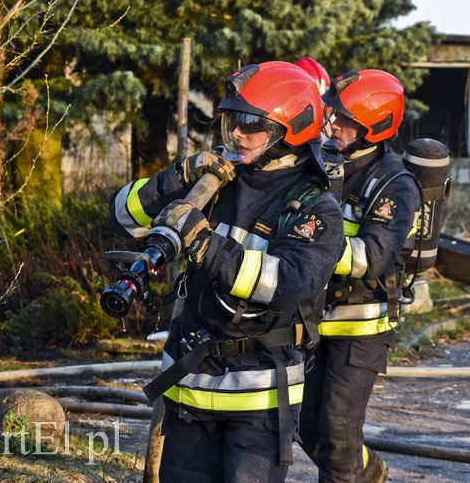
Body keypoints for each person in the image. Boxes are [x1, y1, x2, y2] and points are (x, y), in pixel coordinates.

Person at [108, 61, 344, 482]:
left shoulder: (315, 208)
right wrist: (179, 176)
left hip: (260, 404)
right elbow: (123, 214)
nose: (236, 133)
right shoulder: (215, 180)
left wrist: (204, 245)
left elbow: (286, 282)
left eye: (251, 123)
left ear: (290, 130)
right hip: (188, 393)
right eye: (232, 120)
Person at [299, 69, 420, 482]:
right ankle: (369, 475)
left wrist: (310, 252)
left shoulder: (394, 184)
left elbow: (374, 257)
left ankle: (355, 472)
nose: (331, 123)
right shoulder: (319, 166)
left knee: (338, 438)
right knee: (307, 430)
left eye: (345, 119)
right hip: (314, 324)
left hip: (361, 330)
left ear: (376, 127)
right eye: (331, 112)